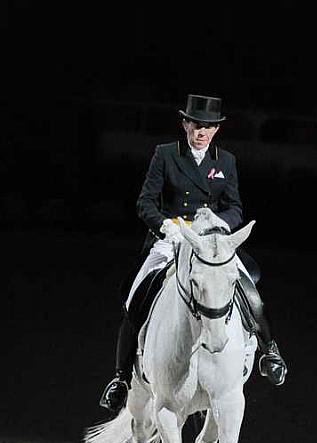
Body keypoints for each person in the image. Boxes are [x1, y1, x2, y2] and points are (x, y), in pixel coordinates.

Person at [99, 94, 287, 413]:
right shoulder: (165, 154)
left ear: (216, 130)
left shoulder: (225, 161)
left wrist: (219, 223)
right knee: (138, 291)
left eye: (208, 127)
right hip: (172, 235)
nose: (201, 132)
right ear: (185, 124)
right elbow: (145, 202)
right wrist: (166, 226)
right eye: (196, 125)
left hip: (210, 239)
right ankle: (120, 378)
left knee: (246, 283)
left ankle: (271, 351)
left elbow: (235, 207)